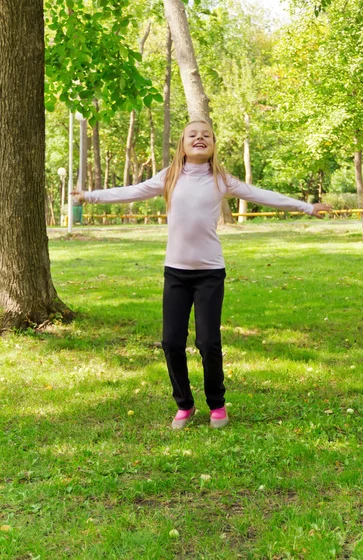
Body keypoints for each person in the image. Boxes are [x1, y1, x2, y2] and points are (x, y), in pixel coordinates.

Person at [72, 120, 331, 430]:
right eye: (192, 135)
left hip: (210, 273)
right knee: (171, 342)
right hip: (176, 274)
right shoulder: (169, 177)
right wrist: (90, 196)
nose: (199, 138)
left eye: (205, 135)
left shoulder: (221, 179)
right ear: (182, 145)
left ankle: (217, 405)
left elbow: (262, 195)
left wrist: (306, 207)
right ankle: (185, 405)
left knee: (208, 342)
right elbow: (132, 191)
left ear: (213, 145)